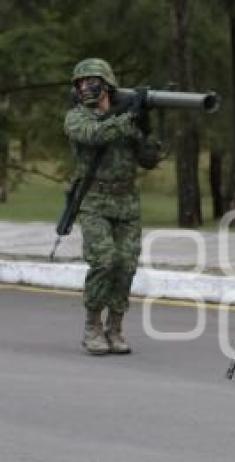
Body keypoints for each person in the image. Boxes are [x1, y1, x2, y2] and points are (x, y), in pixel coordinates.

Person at [64, 58, 160, 355]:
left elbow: (149, 160)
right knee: (104, 261)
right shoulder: (77, 118)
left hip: (127, 203)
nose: (84, 87)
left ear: (106, 85)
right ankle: (92, 326)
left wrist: (146, 129)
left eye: (90, 81)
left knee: (126, 265)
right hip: (93, 201)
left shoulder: (126, 119)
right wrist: (128, 116)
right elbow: (96, 135)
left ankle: (115, 328)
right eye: (79, 83)